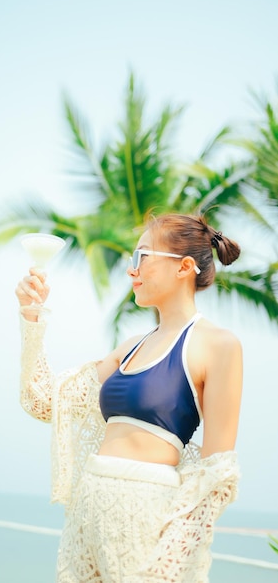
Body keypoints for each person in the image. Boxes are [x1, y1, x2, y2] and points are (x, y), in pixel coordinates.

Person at [15, 213, 243, 583]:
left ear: (184, 267)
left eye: (141, 257)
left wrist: (169, 560)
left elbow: (215, 474)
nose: (131, 270)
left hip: (146, 521)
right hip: (85, 520)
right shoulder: (130, 349)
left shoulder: (218, 346)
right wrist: (31, 316)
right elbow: (43, 401)